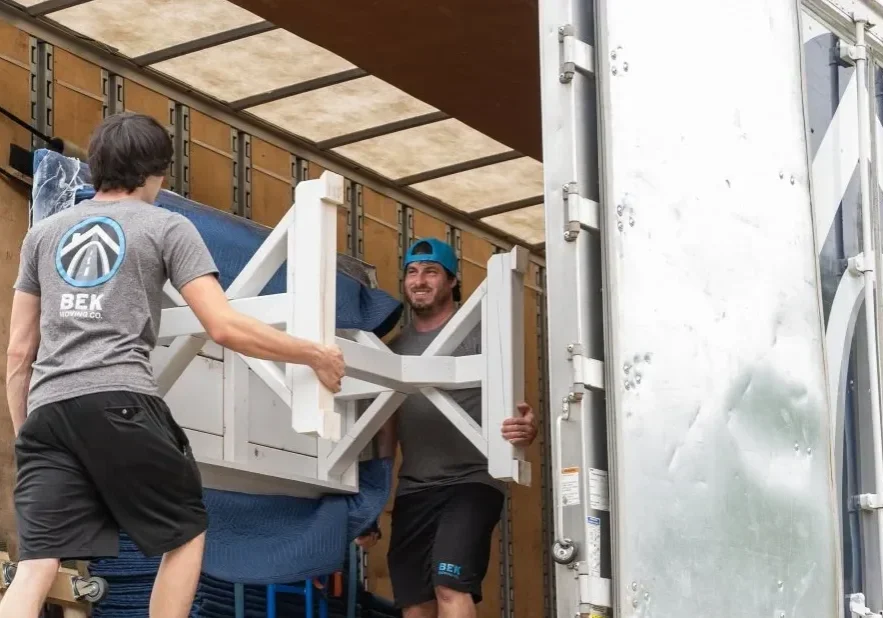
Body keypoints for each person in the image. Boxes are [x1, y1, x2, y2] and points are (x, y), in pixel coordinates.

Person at [2, 112, 346, 618]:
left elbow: (18, 352)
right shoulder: (167, 226)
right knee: (185, 533)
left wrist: (28, 436)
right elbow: (223, 326)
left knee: (36, 565)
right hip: (119, 399)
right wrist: (314, 354)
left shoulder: (44, 233)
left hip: (47, 413)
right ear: (157, 172)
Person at [357, 237, 538, 618]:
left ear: (453, 281)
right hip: (414, 490)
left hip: (471, 481)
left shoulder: (481, 337)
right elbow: (385, 432)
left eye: (431, 272)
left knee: (450, 585)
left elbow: (516, 408)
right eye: (412, 272)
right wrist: (373, 502)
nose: (419, 280)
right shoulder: (394, 350)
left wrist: (525, 429)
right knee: (415, 605)